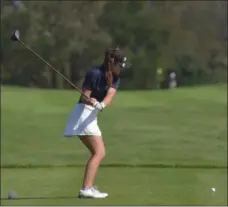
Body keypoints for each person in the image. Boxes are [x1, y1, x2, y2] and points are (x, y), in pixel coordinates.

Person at [64, 47, 127, 199]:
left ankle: (88, 187)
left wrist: (101, 105)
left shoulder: (115, 78)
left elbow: (110, 94)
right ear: (112, 63)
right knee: (99, 152)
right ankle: (86, 189)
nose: (121, 69)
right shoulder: (94, 74)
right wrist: (91, 101)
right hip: (83, 112)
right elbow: (85, 96)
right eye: (120, 65)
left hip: (91, 115)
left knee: (98, 152)